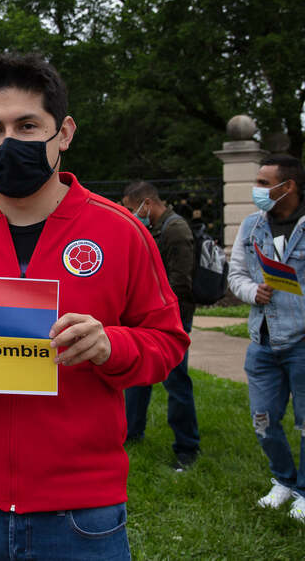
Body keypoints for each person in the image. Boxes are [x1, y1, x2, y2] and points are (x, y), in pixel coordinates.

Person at [0, 53, 188, 559]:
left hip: (81, 513)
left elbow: (168, 341)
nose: (9, 142)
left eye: (27, 126)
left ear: (63, 133)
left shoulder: (121, 232)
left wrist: (111, 345)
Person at [228, 153, 305, 522]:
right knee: (263, 419)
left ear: (287, 186)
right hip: (262, 341)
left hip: (301, 341)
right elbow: (236, 274)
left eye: (263, 182)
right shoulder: (251, 225)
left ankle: (303, 491)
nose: (256, 189)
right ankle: (283, 480)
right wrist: (251, 292)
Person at [121, 181, 201, 471]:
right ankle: (132, 433)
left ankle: (187, 447)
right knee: (137, 377)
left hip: (173, 318)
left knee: (176, 381)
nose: (130, 214)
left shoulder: (175, 229)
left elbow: (181, 280)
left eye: (131, 208)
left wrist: (160, 312)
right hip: (145, 317)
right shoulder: (153, 228)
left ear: (147, 203)